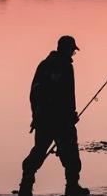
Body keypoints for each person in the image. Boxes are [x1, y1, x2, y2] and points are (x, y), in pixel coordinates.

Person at [19, 35, 90, 196]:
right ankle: (72, 188)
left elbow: (34, 93)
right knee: (70, 154)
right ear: (66, 49)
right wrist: (71, 116)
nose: (73, 54)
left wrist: (35, 116)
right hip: (61, 121)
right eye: (72, 50)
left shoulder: (44, 65)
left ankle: (25, 186)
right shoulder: (65, 67)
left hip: (43, 119)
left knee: (39, 151)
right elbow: (67, 96)